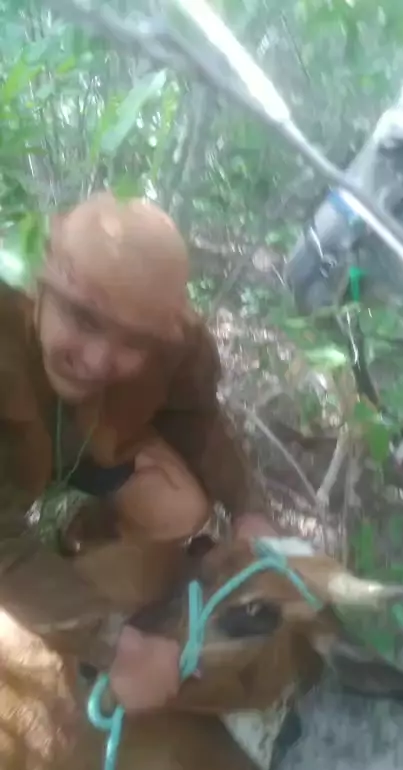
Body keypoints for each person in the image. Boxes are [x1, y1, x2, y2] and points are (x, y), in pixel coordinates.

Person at [0, 191, 277, 714]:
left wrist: (249, 509)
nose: (98, 360)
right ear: (40, 286)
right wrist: (112, 644)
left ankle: (88, 546)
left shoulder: (175, 343)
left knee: (180, 510)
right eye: (83, 319)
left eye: (133, 343)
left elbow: (198, 421)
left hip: (96, 447)